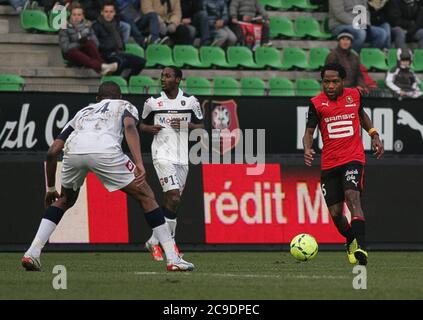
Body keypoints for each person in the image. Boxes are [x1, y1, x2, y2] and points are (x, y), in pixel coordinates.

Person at [22, 82, 194, 272]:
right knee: (146, 196)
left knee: (64, 200)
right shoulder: (124, 105)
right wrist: (138, 162)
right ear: (119, 97)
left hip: (73, 152)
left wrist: (51, 189)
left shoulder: (83, 112)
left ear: (97, 99)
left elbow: (52, 152)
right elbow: (130, 127)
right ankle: (172, 258)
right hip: (106, 152)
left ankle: (32, 253)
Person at [302, 63, 384, 266]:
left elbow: (361, 115)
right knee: (336, 215)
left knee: (352, 197)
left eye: (334, 82)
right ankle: (350, 239)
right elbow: (309, 132)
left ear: (343, 82)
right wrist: (307, 148)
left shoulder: (354, 96)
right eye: (326, 82)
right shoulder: (316, 103)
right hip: (330, 164)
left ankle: (362, 249)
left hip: (353, 158)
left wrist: (373, 134)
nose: (330, 86)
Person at [139, 66, 204, 261]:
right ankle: (172, 245)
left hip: (183, 158)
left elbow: (201, 126)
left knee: (172, 203)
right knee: (174, 198)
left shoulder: (191, 102)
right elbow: (140, 124)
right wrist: (149, 128)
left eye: (167, 76)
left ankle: (153, 240)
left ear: (178, 80)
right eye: (162, 76)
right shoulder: (153, 102)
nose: (163, 79)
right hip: (162, 155)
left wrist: (188, 125)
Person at [59, 3, 118, 75]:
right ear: (70, 15)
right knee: (74, 51)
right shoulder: (64, 27)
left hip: (86, 53)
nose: (76, 17)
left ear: (83, 16)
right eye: (74, 14)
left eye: (79, 15)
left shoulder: (87, 25)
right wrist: (79, 43)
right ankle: (102, 66)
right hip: (72, 54)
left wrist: (87, 39)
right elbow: (65, 48)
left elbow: (96, 44)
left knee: (89, 43)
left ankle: (103, 66)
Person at [92, 1, 146, 79]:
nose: (108, 14)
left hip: (118, 53)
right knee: (122, 61)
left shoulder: (116, 24)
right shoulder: (96, 26)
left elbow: (120, 40)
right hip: (106, 55)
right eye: (106, 11)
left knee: (141, 62)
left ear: (114, 13)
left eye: (111, 12)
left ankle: (127, 81)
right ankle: (111, 81)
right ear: (102, 12)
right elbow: (96, 45)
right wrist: (112, 46)